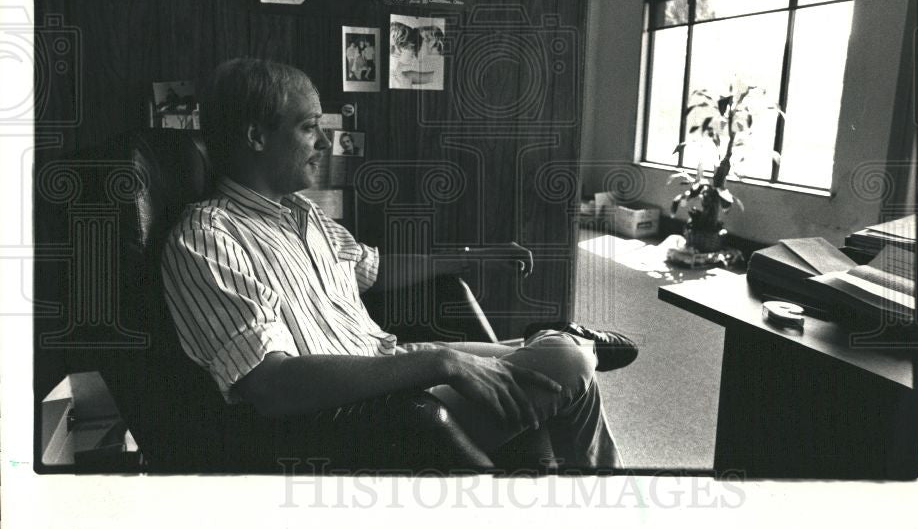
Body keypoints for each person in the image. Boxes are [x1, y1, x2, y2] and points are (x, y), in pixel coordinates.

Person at [161, 58, 637, 469]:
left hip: (390, 362)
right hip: (364, 415)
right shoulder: (208, 238)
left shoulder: (304, 215)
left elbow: (374, 267)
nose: (324, 144)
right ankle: (562, 340)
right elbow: (270, 384)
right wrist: (443, 362)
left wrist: (472, 258)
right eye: (309, 127)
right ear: (255, 137)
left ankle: (583, 467)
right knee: (568, 362)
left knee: (572, 374)